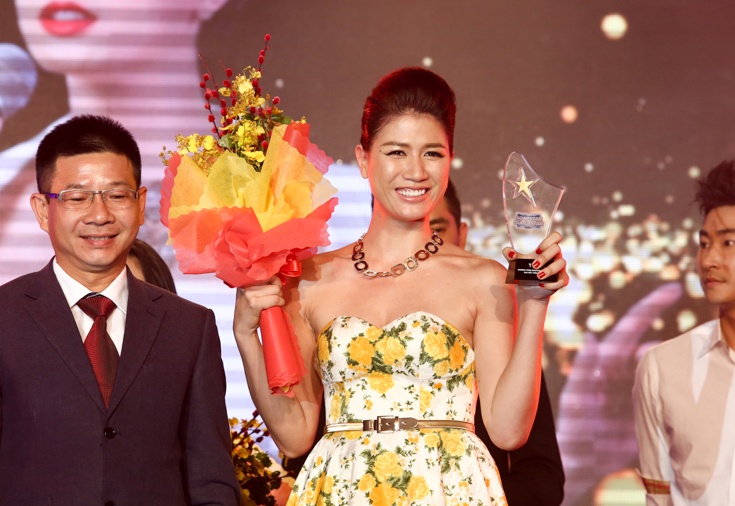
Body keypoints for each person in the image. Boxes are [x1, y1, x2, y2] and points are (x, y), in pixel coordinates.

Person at [234, 67, 568, 504]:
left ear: (450, 160)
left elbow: (508, 432)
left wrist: (535, 303)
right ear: (363, 159)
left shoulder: (482, 279)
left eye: (433, 154)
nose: (416, 171)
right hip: (340, 489)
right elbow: (294, 435)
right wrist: (246, 335)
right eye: (396, 152)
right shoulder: (310, 279)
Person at [0, 114, 240, 504]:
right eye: (77, 197)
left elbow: (210, 479)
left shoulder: (189, 327)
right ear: (43, 210)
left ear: (140, 204)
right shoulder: (5, 318)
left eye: (116, 195)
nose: (100, 215)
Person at [432, 178, 565, 505]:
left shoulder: (499, 329)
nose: (426, 248)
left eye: (437, 232)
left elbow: (541, 474)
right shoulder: (351, 335)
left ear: (462, 235)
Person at [633, 160, 735, 505]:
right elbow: (658, 498)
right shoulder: (663, 368)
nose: (709, 260)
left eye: (728, 243)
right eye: (704, 244)